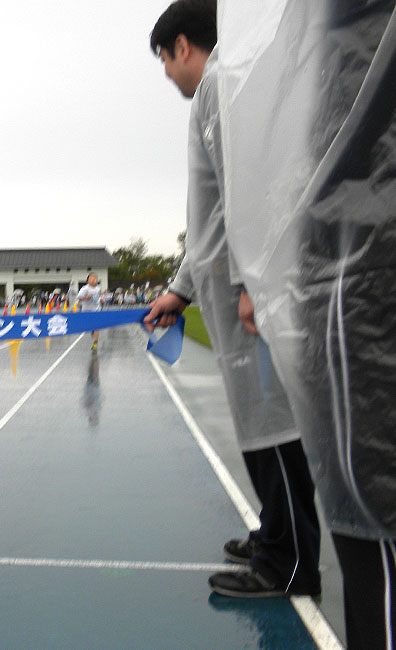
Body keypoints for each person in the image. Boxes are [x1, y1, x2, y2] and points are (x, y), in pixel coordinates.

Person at [216, 0, 396, 643]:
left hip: (356, 270)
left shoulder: (336, 42)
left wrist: (259, 276)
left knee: (372, 514)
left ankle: (290, 557)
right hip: (346, 259)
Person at [144, 0, 321, 599]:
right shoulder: (220, 91)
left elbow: (249, 193)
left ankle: (289, 563)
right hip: (227, 291)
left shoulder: (224, 85)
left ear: (183, 46)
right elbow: (211, 215)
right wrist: (180, 290)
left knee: (275, 426)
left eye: (165, 60)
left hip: (247, 297)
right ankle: (275, 533)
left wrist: (250, 286)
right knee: (258, 423)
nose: (168, 73)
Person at [76, 273, 103, 350]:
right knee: (89, 326)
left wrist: (101, 300)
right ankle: (92, 329)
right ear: (87, 281)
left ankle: (95, 343)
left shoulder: (98, 288)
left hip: (96, 309)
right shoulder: (85, 289)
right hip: (86, 310)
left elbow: (98, 297)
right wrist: (86, 298)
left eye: (95, 278)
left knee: (96, 327)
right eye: (92, 278)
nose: (94, 280)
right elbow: (79, 298)